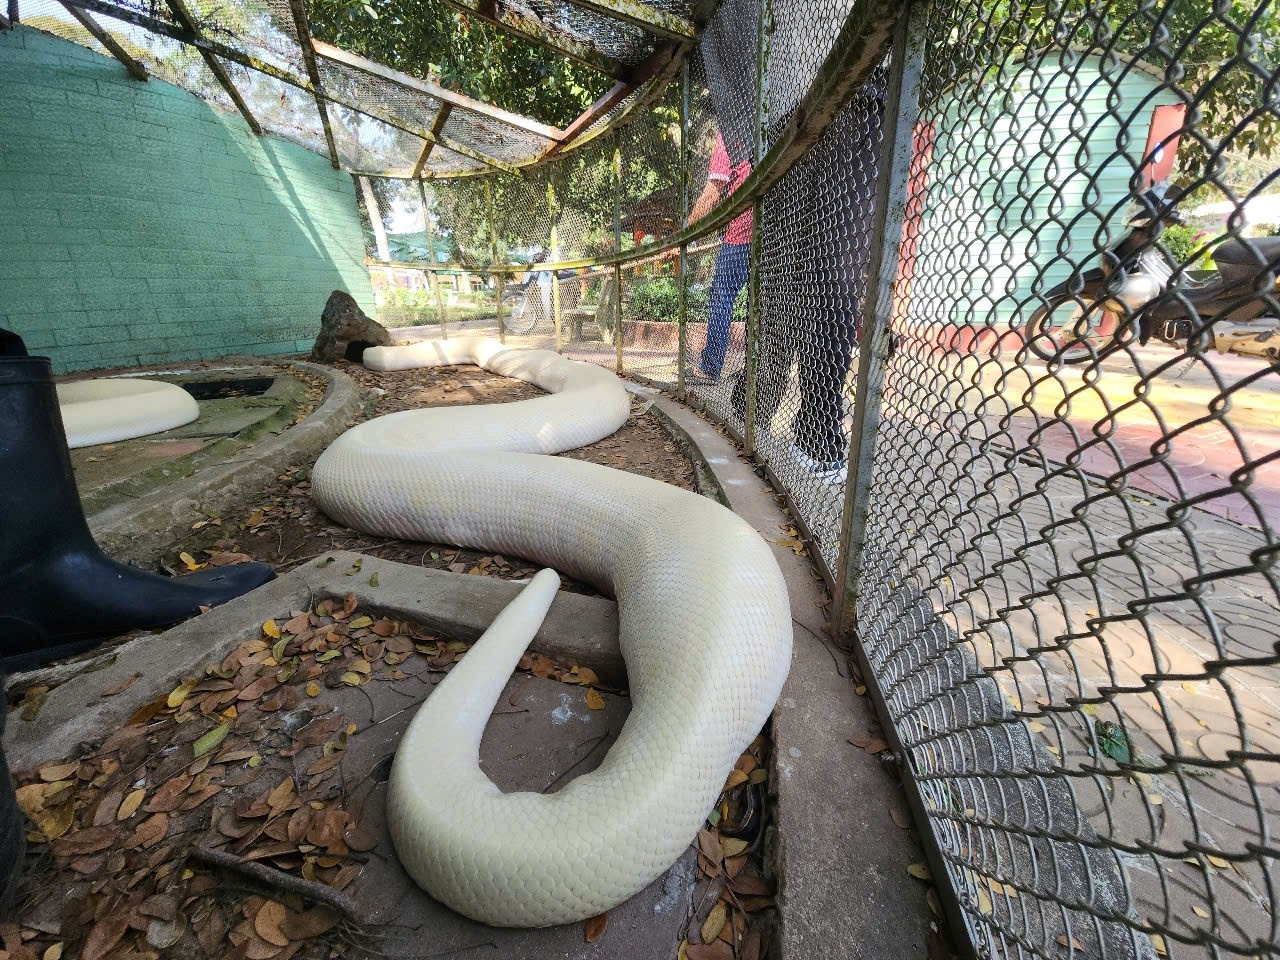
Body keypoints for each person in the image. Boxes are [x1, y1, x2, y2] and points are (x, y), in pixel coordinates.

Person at [687, 131, 753, 383]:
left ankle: (710, 367)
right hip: (770, 234)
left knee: (721, 294)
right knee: (757, 302)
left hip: (741, 235)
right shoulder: (761, 128)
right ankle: (753, 368)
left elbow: (713, 192)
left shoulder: (728, 134)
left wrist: (686, 234)